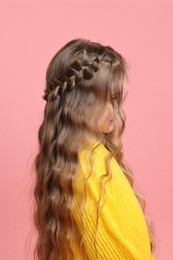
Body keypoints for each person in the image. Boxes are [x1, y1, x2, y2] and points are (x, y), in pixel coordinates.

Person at [33, 38, 157, 259]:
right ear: (80, 105)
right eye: (110, 100)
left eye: (118, 100)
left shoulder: (78, 158)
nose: (117, 111)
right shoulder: (89, 168)